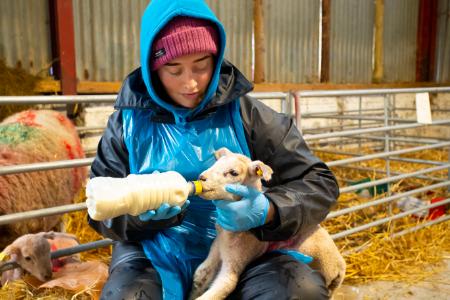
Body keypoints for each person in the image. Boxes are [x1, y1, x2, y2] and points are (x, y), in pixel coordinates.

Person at [88, 0, 339, 299]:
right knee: (127, 295)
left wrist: (269, 211)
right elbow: (99, 210)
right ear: (152, 67)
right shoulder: (127, 124)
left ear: (216, 59)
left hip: (244, 248)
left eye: (202, 65)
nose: (190, 82)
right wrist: (143, 217)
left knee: (298, 292)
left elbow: (319, 182)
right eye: (173, 69)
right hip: (152, 251)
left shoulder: (248, 115)